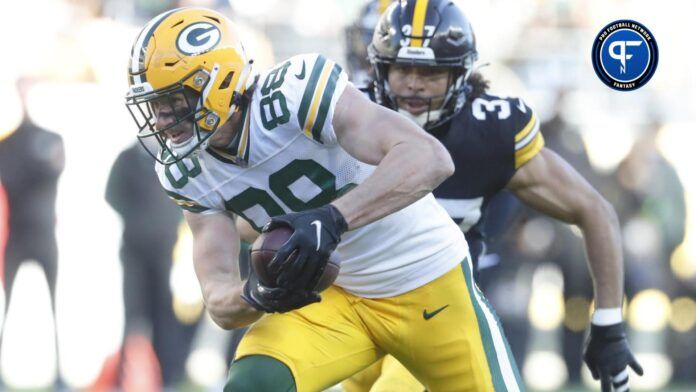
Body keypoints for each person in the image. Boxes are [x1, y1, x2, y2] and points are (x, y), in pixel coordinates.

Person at [125, 7, 523, 392]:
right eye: (154, 107)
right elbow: (218, 299)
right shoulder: (184, 171)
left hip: (425, 280)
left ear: (219, 84)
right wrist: (259, 293)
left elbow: (429, 158)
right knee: (253, 384)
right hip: (330, 297)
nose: (161, 122)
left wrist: (334, 219)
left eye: (173, 103)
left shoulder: (296, 94)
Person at [344, 1, 644, 391]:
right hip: (349, 309)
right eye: (402, 68)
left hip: (432, 309)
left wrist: (608, 323)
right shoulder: (348, 115)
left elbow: (594, 210)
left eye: (430, 72)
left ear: (461, 75)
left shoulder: (490, 130)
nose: (414, 84)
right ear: (380, 67)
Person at [0, 79, 65, 389]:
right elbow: (13, 179)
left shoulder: (51, 138)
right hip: (18, 234)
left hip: (44, 234)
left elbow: (52, 170)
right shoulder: (9, 143)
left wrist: (33, 168)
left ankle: (59, 373)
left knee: (55, 305)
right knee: (7, 304)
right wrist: (36, 166)